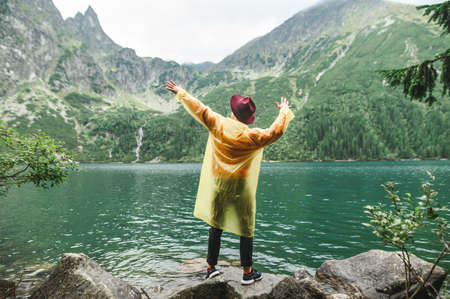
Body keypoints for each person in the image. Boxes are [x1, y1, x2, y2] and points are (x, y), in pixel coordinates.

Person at [165, 80, 294, 285]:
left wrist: (181, 92)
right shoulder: (251, 136)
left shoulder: (218, 124)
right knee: (246, 228)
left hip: (219, 185)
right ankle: (247, 272)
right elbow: (275, 131)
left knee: (216, 226)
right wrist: (284, 112)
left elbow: (199, 109)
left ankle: (211, 268)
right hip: (241, 188)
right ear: (248, 118)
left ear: (233, 112)